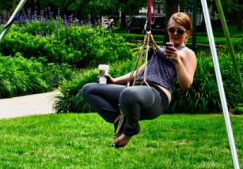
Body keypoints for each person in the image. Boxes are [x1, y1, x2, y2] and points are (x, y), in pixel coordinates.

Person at [81, 12, 197, 148]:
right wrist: (114, 81)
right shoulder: (158, 49)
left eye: (180, 31)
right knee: (88, 90)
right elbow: (138, 72)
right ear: (168, 30)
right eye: (172, 29)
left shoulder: (187, 53)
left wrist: (177, 61)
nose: (175, 33)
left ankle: (130, 130)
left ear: (187, 33)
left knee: (128, 93)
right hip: (137, 90)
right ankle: (119, 122)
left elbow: (186, 84)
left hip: (157, 95)